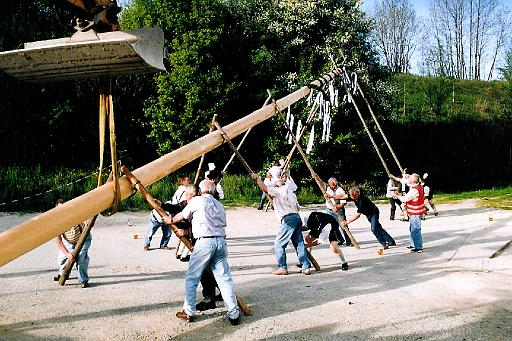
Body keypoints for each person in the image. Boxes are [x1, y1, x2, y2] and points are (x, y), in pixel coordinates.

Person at [166, 179, 240, 325]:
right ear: (213, 191)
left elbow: (181, 216)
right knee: (224, 279)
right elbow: (220, 223)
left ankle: (188, 311)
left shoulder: (197, 201)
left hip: (204, 242)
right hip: (220, 242)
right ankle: (233, 313)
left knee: (192, 278)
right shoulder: (219, 205)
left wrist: (170, 220)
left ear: (200, 191)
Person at [250, 171, 311, 275]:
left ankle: (282, 267)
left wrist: (257, 179)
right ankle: (305, 267)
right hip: (296, 217)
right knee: (299, 243)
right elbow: (297, 207)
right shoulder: (290, 190)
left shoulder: (279, 190)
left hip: (288, 219)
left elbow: (265, 188)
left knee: (279, 244)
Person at [53, 199, 92, 288]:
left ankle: (83, 280)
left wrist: (87, 222)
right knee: (62, 259)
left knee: (81, 258)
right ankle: (63, 275)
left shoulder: (76, 212)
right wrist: (67, 254)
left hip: (84, 239)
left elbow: (87, 222)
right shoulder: (57, 222)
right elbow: (58, 241)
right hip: (69, 241)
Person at [395, 173, 426, 253]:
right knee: (412, 228)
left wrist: (396, 196)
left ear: (413, 181)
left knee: (415, 229)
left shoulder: (414, 190)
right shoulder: (417, 186)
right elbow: (404, 180)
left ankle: (418, 247)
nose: (408, 179)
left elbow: (405, 199)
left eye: (410, 178)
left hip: (415, 213)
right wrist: (395, 178)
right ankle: (413, 244)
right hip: (416, 212)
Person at [324, 177, 351, 246]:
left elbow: (343, 203)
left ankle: (349, 241)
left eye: (334, 185)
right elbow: (320, 182)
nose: (332, 187)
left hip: (339, 210)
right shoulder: (327, 187)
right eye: (331, 185)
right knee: (333, 226)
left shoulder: (340, 190)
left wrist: (337, 207)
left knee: (343, 226)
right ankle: (340, 239)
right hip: (329, 209)